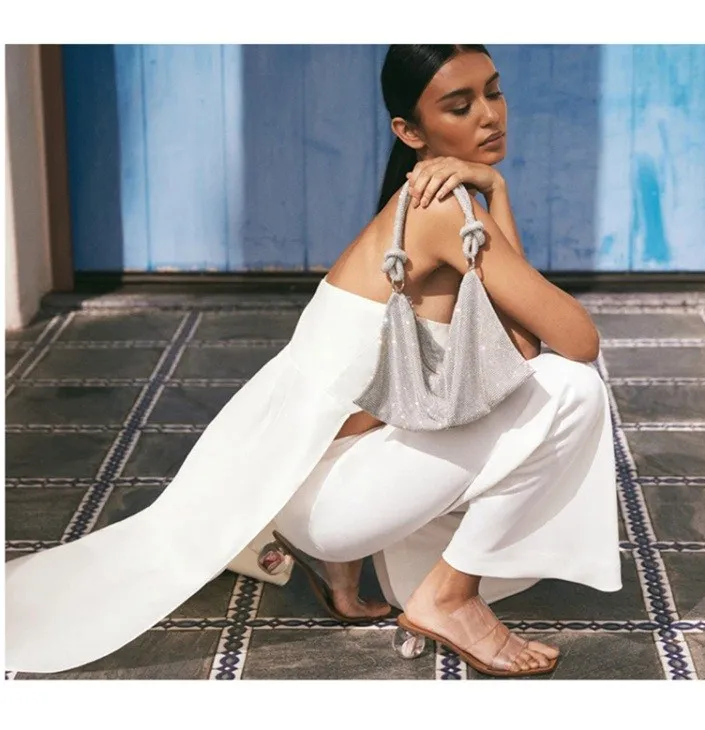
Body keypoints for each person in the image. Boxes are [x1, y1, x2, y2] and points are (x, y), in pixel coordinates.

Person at [5, 44, 622, 678]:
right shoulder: (442, 211)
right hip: (333, 507)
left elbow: (518, 347)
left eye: (494, 92)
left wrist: (495, 190)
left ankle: (342, 575)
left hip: (304, 491)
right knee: (572, 390)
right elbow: (576, 342)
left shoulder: (414, 209)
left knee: (521, 388)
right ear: (410, 132)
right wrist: (494, 192)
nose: (490, 115)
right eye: (460, 106)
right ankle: (448, 598)